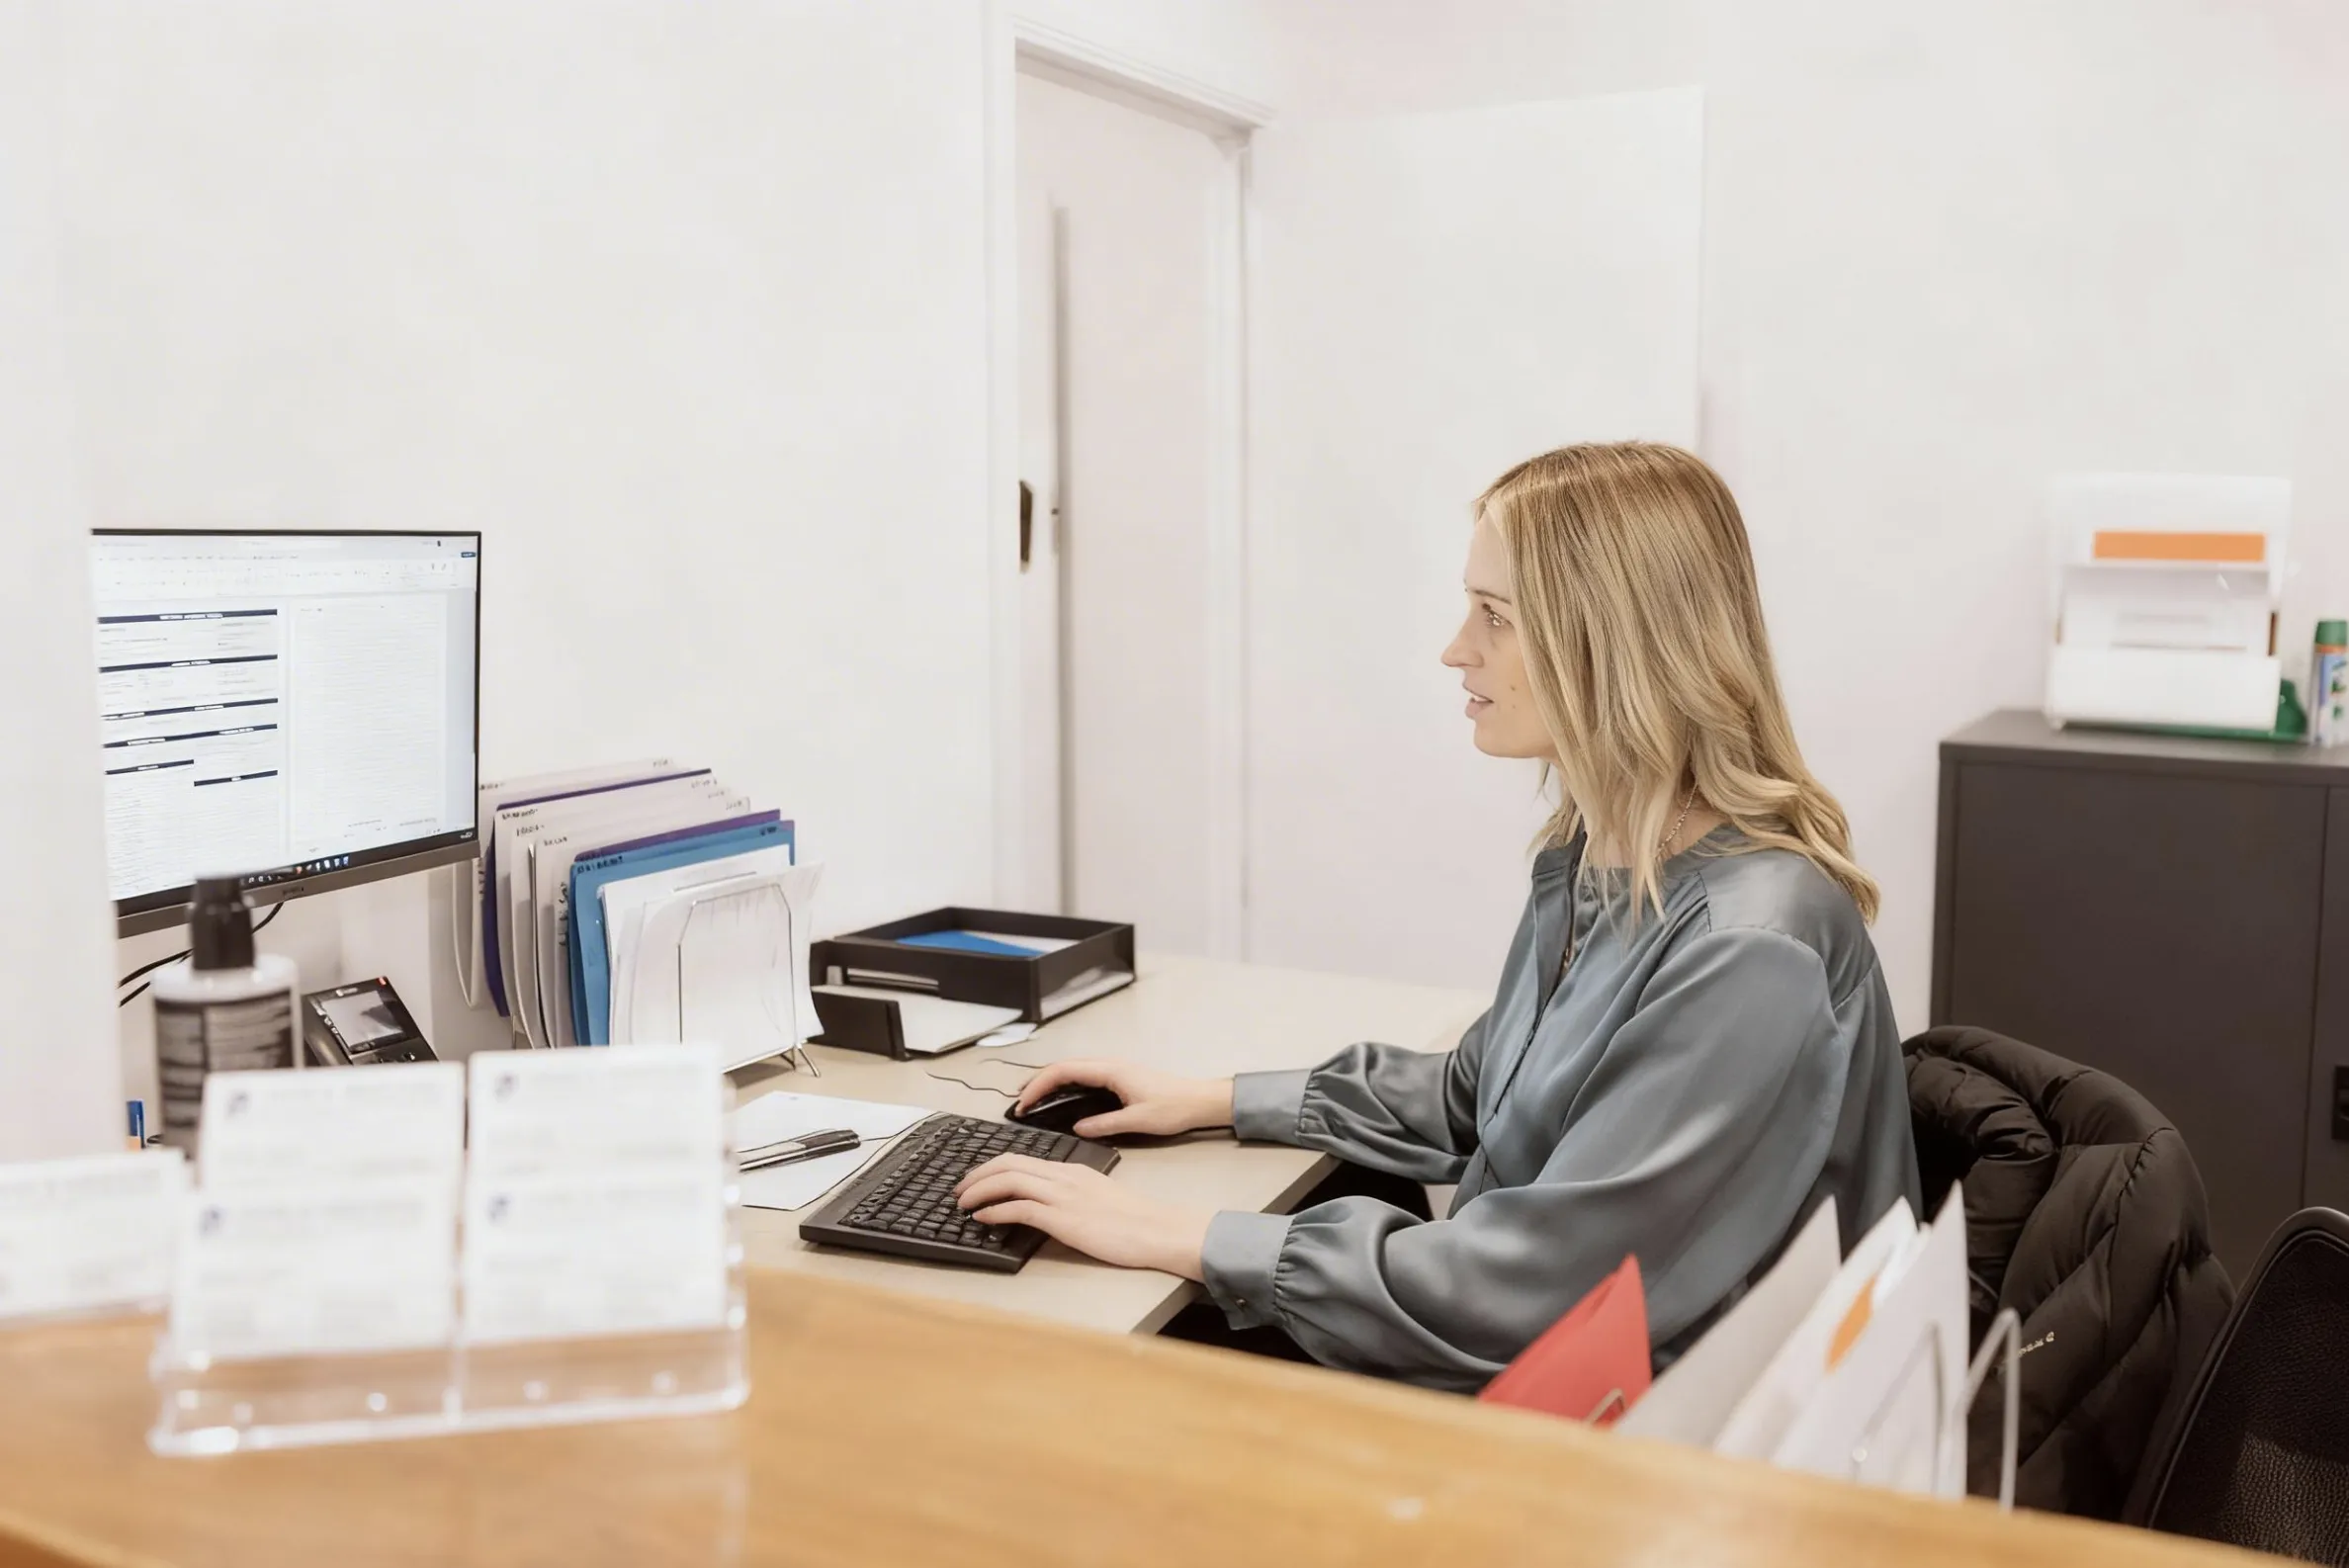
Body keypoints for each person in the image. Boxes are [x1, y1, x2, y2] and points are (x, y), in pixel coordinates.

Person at [954, 441, 1921, 1393]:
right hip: (1562, 1351)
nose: (1457, 648)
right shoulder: (1608, 847)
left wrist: (1175, 1232)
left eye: (1494, 616)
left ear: (1610, 640)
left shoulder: (1749, 947)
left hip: (1656, 1440)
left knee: (1095, 1365)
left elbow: (1541, 1287)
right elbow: (1481, 1091)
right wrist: (1210, 1098)